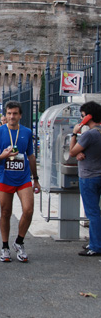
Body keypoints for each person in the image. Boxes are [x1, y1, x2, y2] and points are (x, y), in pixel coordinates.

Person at [0, 101, 41, 263]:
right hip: (4, 176)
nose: (12, 116)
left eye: (15, 113)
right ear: (5, 115)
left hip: (23, 178)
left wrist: (36, 179)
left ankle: (19, 242)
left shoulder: (26, 132)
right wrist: (2, 156)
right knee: (5, 212)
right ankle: (5, 247)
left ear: (20, 115)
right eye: (9, 113)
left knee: (29, 210)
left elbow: (31, 156)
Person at [69, 100, 101, 257]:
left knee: (92, 213)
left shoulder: (89, 134)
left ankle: (95, 246)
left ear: (88, 117)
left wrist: (75, 133)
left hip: (89, 177)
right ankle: (96, 241)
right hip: (99, 174)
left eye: (82, 116)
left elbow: (72, 152)